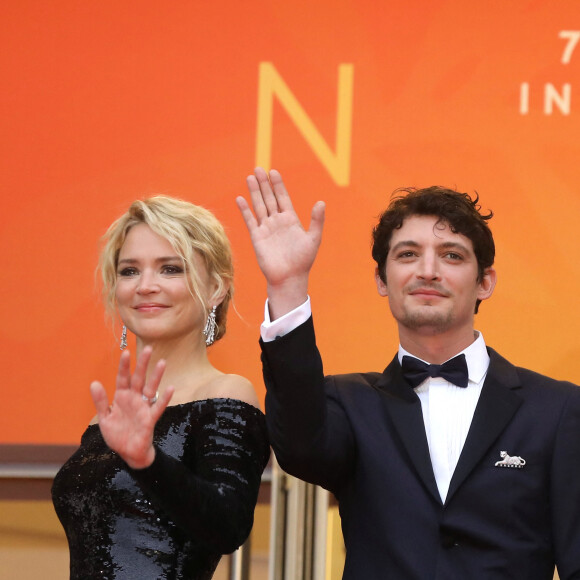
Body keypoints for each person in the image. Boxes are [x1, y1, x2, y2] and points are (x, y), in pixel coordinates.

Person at [236, 168, 580, 580]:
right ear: (382, 279)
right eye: (407, 254)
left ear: (485, 282)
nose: (428, 271)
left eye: (451, 255)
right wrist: (288, 286)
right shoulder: (347, 403)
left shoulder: (557, 409)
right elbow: (298, 448)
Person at [52, 196, 270, 580]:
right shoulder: (106, 419)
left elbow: (228, 526)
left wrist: (148, 462)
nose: (145, 286)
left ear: (216, 288)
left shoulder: (226, 393)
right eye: (129, 271)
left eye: (170, 269)